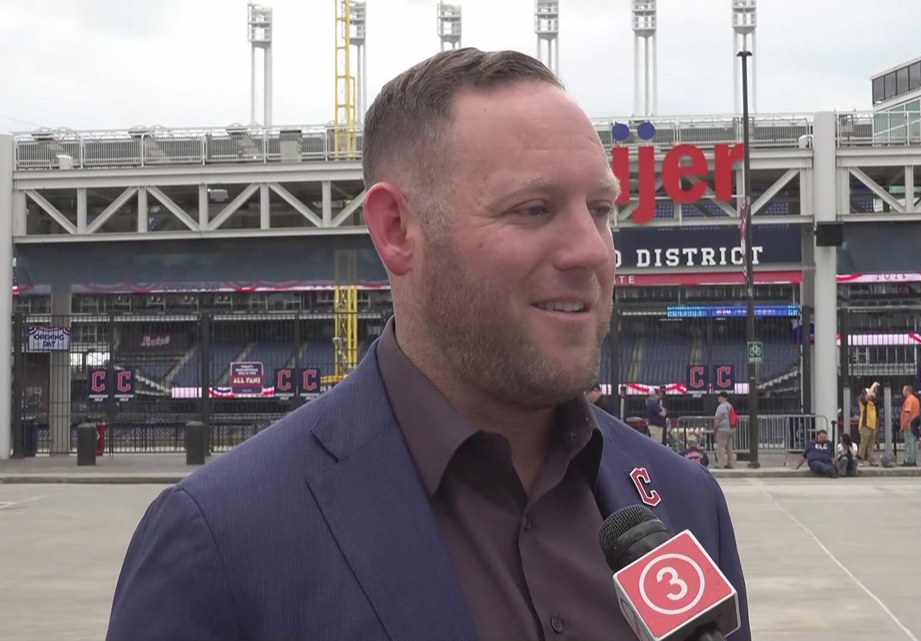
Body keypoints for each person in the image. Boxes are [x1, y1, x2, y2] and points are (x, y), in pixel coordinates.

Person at [105, 49, 751, 641]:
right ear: (398, 230)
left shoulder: (686, 504)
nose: (592, 250)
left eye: (602, 210)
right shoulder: (223, 542)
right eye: (533, 208)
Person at [857, 381, 880, 466]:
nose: (872, 394)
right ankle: (860, 459)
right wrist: (873, 385)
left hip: (872, 425)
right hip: (865, 425)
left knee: (871, 444)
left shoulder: (873, 403)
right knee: (863, 443)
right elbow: (867, 397)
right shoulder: (863, 401)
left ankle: (871, 459)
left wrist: (875, 389)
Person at [899, 385, 921, 466]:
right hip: (915, 425)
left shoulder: (908, 400)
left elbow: (907, 413)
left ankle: (909, 460)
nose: (902, 392)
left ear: (907, 391)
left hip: (909, 425)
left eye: (903, 390)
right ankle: (913, 459)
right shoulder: (915, 400)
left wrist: (904, 424)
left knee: (909, 443)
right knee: (913, 443)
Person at [713, 391, 735, 469]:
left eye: (719, 397)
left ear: (722, 397)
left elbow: (718, 418)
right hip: (731, 429)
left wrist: (715, 428)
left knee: (721, 447)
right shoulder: (730, 406)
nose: (718, 399)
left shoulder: (721, 407)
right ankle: (730, 463)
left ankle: (720, 464)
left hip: (722, 429)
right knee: (729, 447)